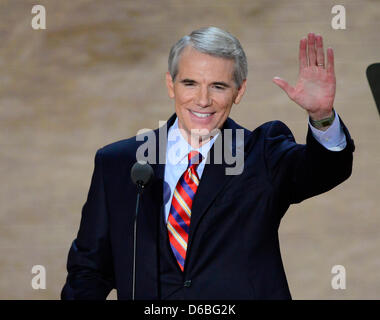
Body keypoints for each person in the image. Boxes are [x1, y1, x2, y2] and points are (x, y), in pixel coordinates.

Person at [61, 27, 355, 300]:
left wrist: (322, 117)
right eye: (190, 83)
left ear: (238, 92)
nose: (203, 100)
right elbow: (89, 270)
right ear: (171, 85)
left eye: (218, 86)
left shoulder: (261, 154)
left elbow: (324, 170)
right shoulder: (119, 163)